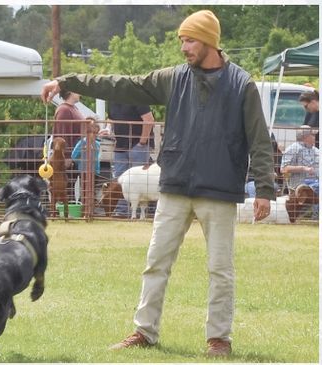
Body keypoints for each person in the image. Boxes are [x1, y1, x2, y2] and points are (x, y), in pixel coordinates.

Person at [41, 9, 275, 357]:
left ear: (210, 40)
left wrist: (266, 189)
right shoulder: (173, 77)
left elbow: (258, 138)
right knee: (156, 262)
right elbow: (123, 83)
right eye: (182, 40)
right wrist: (67, 81)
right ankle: (144, 331)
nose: (183, 47)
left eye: (189, 40)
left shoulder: (242, 85)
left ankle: (219, 339)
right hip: (175, 184)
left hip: (220, 188)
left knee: (220, 269)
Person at [105, 102, 155, 216]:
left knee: (140, 179)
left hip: (137, 145)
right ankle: (122, 211)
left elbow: (149, 119)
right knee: (120, 179)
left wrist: (142, 142)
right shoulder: (112, 98)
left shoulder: (136, 96)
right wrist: (108, 128)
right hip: (120, 145)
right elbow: (111, 117)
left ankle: (139, 212)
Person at [281, 126, 319, 193]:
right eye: (312, 135)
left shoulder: (316, 150)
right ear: (305, 137)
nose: (315, 136)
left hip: (316, 183)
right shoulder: (293, 149)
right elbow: (284, 169)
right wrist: (303, 168)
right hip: (300, 186)